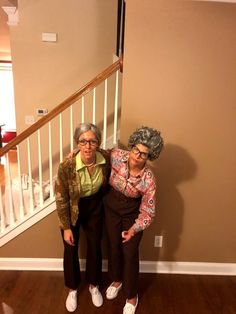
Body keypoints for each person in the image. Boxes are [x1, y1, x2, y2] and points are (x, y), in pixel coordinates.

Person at [103, 126, 163, 314]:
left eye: (143, 154)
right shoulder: (117, 155)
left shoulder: (149, 179)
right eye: (135, 150)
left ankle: (131, 296)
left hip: (132, 214)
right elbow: (99, 153)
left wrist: (134, 229)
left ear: (149, 157)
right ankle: (117, 280)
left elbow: (148, 211)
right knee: (113, 246)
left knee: (129, 254)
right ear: (131, 147)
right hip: (111, 207)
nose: (137, 156)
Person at [55, 123, 110, 312]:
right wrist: (66, 227)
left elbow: (126, 156)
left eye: (92, 141)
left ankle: (94, 285)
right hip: (73, 208)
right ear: (77, 143)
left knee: (95, 246)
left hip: (95, 206)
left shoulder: (107, 159)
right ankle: (73, 288)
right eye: (83, 141)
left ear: (98, 143)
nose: (87, 146)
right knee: (70, 248)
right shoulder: (67, 165)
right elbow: (61, 197)